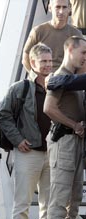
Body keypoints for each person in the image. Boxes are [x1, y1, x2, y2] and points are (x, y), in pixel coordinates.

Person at [0, 43, 53, 219]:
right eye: (43, 61)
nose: (47, 65)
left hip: (53, 153)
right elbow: (4, 115)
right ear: (32, 62)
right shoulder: (19, 88)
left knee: (50, 206)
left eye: (50, 61)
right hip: (28, 153)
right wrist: (18, 140)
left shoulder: (57, 85)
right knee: (22, 205)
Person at [43, 36, 86, 219]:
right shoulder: (61, 76)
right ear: (70, 50)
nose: (85, 56)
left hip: (76, 141)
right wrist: (75, 125)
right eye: (83, 52)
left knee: (74, 201)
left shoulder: (70, 78)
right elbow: (48, 108)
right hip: (65, 142)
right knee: (60, 201)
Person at [22, 0, 83, 72]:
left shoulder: (76, 34)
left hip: (65, 79)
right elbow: (25, 57)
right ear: (50, 8)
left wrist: (75, 80)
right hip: (42, 77)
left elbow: (83, 61)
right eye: (57, 7)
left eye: (64, 7)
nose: (61, 11)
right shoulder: (38, 31)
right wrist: (35, 77)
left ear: (69, 9)